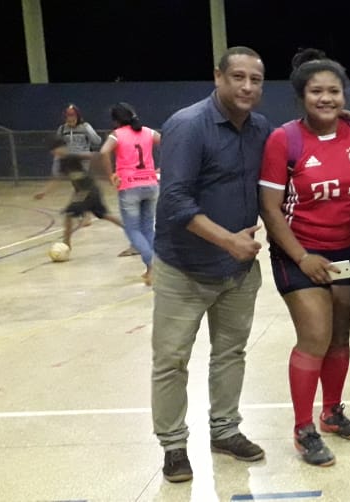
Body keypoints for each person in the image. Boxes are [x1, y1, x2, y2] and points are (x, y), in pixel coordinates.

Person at [150, 46, 270, 484]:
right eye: (237, 77)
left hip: (237, 274)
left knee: (230, 354)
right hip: (185, 268)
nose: (246, 87)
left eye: (255, 80)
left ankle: (224, 430)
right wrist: (227, 241)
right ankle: (173, 446)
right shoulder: (188, 126)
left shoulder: (259, 129)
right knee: (171, 359)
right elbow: (176, 201)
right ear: (217, 77)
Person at [258, 48, 350, 467]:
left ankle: (332, 412)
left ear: (344, 95)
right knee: (315, 337)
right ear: (301, 95)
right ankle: (303, 427)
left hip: (346, 249)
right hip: (298, 250)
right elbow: (270, 209)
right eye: (316, 91)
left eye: (334, 91)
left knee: (340, 336)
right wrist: (302, 256)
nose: (326, 98)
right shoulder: (283, 139)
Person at [98, 102, 161, 285]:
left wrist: (111, 176)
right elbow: (168, 141)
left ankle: (152, 264)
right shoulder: (148, 132)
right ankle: (153, 269)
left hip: (129, 186)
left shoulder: (117, 135)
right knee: (148, 228)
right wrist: (163, 166)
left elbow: (103, 152)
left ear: (116, 120)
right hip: (150, 184)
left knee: (132, 229)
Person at [34, 139, 123, 247]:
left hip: (88, 190)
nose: (54, 153)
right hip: (88, 191)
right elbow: (57, 178)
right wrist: (44, 192)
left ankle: (66, 244)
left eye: (54, 150)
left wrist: (99, 167)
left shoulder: (72, 156)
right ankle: (130, 229)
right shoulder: (63, 162)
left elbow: (92, 155)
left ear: (62, 147)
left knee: (69, 214)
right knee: (104, 215)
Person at [55, 104, 103, 229]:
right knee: (78, 188)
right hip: (70, 163)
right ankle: (82, 212)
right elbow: (58, 145)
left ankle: (85, 214)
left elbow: (97, 141)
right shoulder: (62, 129)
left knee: (83, 188)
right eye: (68, 116)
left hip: (84, 162)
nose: (70, 118)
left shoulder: (85, 127)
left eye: (73, 115)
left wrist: (88, 131)